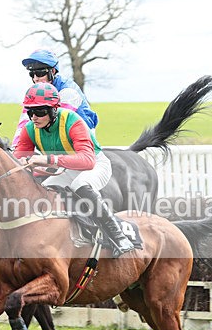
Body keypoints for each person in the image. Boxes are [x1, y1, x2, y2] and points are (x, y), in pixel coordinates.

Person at [13, 83, 134, 257]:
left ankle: (118, 236)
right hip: (66, 168)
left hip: (95, 165)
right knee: (46, 190)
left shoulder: (73, 121)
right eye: (30, 112)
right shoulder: (30, 129)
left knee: (80, 184)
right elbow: (18, 159)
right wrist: (24, 161)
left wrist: (47, 159)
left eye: (39, 112)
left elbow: (87, 161)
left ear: (54, 110)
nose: (34, 117)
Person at [12, 49, 99, 148]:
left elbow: (57, 122)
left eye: (40, 73)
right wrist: (15, 148)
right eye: (32, 74)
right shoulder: (34, 92)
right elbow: (24, 123)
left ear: (52, 71)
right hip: (53, 134)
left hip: (81, 134)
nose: (35, 78)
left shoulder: (68, 91)